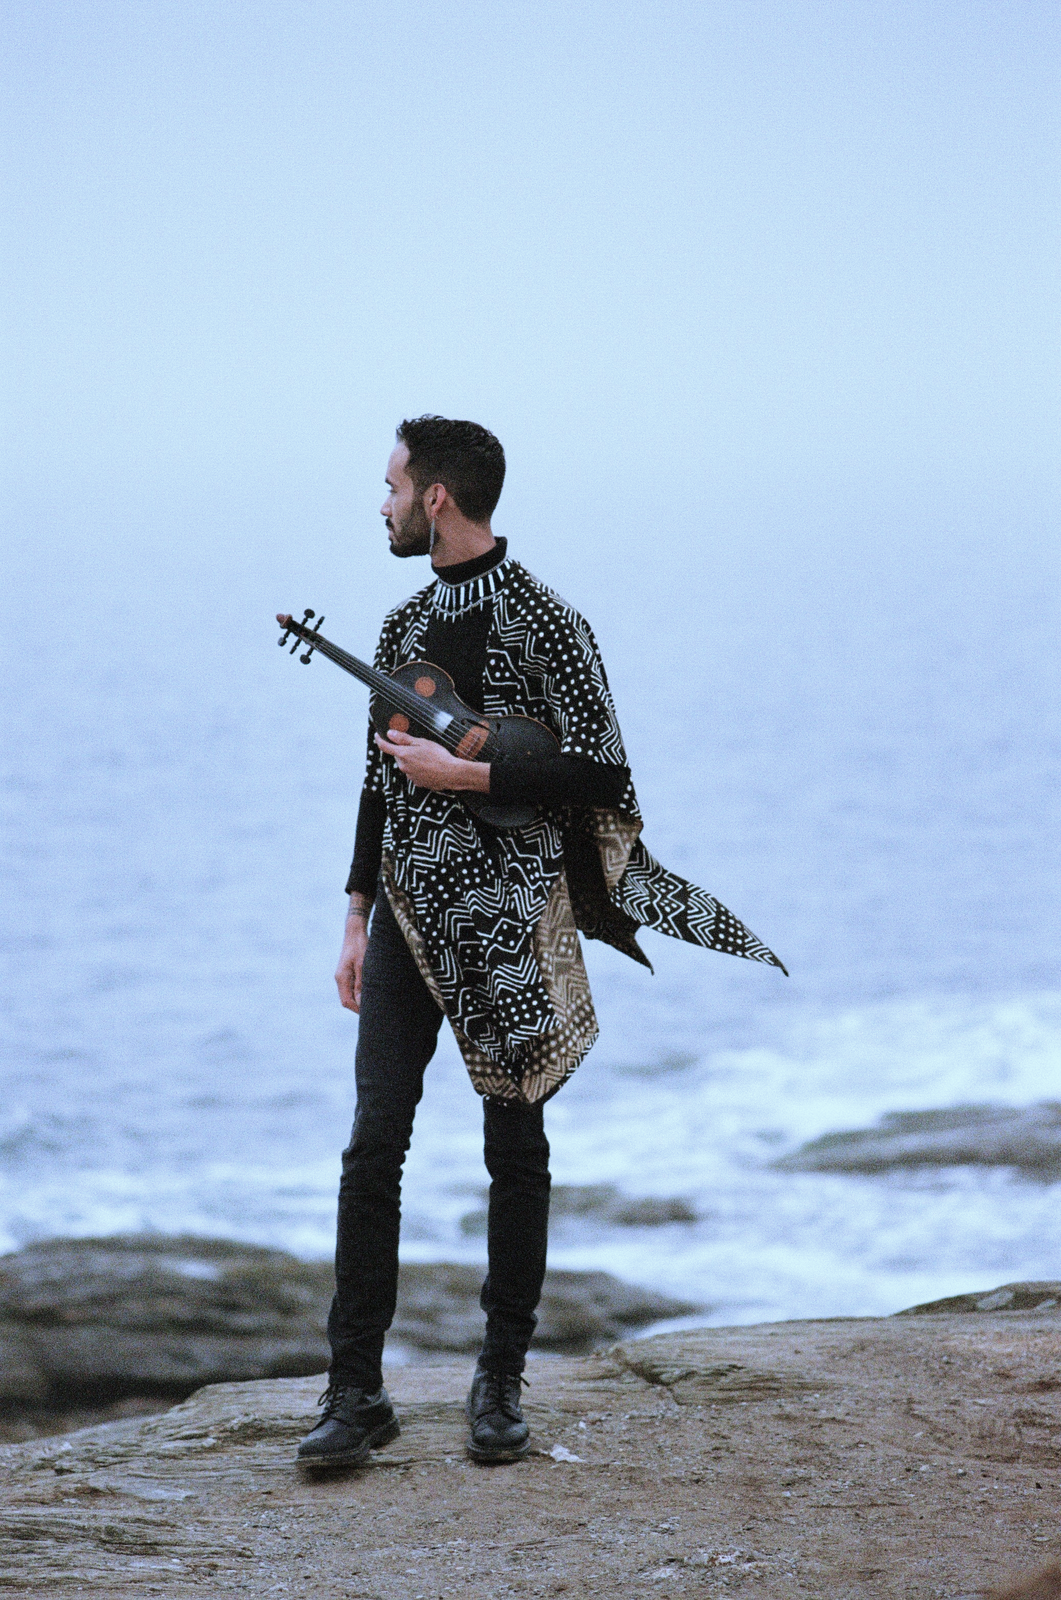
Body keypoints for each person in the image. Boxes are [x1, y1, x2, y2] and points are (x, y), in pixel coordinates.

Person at [296, 416, 785, 1470]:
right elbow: (376, 783)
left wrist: (471, 776)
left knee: (512, 1150)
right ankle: (354, 1391)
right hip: (406, 913)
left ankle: (499, 1382)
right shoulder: (398, 625)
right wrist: (353, 917)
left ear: (436, 497)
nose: (382, 504)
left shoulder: (548, 622)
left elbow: (603, 772)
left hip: (511, 921)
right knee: (373, 1144)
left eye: (391, 487)